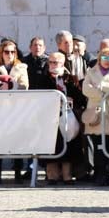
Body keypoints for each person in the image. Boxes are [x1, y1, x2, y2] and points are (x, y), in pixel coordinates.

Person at [33, 52, 86, 185]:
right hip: (48, 118)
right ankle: (52, 175)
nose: (53, 65)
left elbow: (80, 98)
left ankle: (67, 175)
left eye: (56, 62)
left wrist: (71, 99)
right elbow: (38, 97)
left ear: (63, 64)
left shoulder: (72, 79)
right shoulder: (42, 79)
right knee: (51, 145)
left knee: (69, 144)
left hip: (68, 117)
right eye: (50, 62)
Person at [82, 39, 109, 185]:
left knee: (107, 144)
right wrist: (103, 93)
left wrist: (101, 85)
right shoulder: (91, 71)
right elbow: (86, 89)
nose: (107, 61)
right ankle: (98, 172)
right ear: (99, 58)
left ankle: (106, 172)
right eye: (104, 58)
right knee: (96, 144)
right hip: (95, 110)